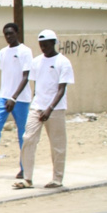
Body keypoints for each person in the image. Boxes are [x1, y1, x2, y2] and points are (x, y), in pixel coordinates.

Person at [14, 29, 75, 190]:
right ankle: (27, 178)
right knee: (28, 139)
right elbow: (36, 85)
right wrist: (38, 104)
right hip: (37, 108)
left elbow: (61, 89)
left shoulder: (63, 62)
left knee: (57, 145)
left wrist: (50, 109)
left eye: (46, 45)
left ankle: (57, 178)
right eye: (41, 45)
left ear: (54, 43)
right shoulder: (36, 61)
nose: (43, 48)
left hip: (56, 109)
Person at [0, 22, 33, 179]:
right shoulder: (2, 52)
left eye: (11, 33)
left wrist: (14, 97)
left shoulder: (25, 51)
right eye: (6, 34)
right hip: (3, 97)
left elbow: (26, 77)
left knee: (23, 134)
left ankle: (25, 168)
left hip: (21, 99)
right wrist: (8, 96)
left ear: (17, 33)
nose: (8, 36)